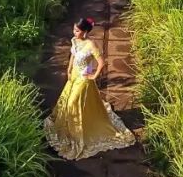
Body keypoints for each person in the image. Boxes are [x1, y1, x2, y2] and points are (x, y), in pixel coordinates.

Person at [44, 17, 135, 160]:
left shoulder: (90, 45)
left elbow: (101, 62)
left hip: (84, 79)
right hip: (73, 76)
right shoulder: (75, 41)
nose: (74, 33)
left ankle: (77, 136)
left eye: (77, 30)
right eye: (74, 29)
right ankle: (68, 129)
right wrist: (68, 70)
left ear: (85, 31)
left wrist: (94, 76)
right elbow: (72, 57)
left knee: (73, 102)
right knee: (67, 101)